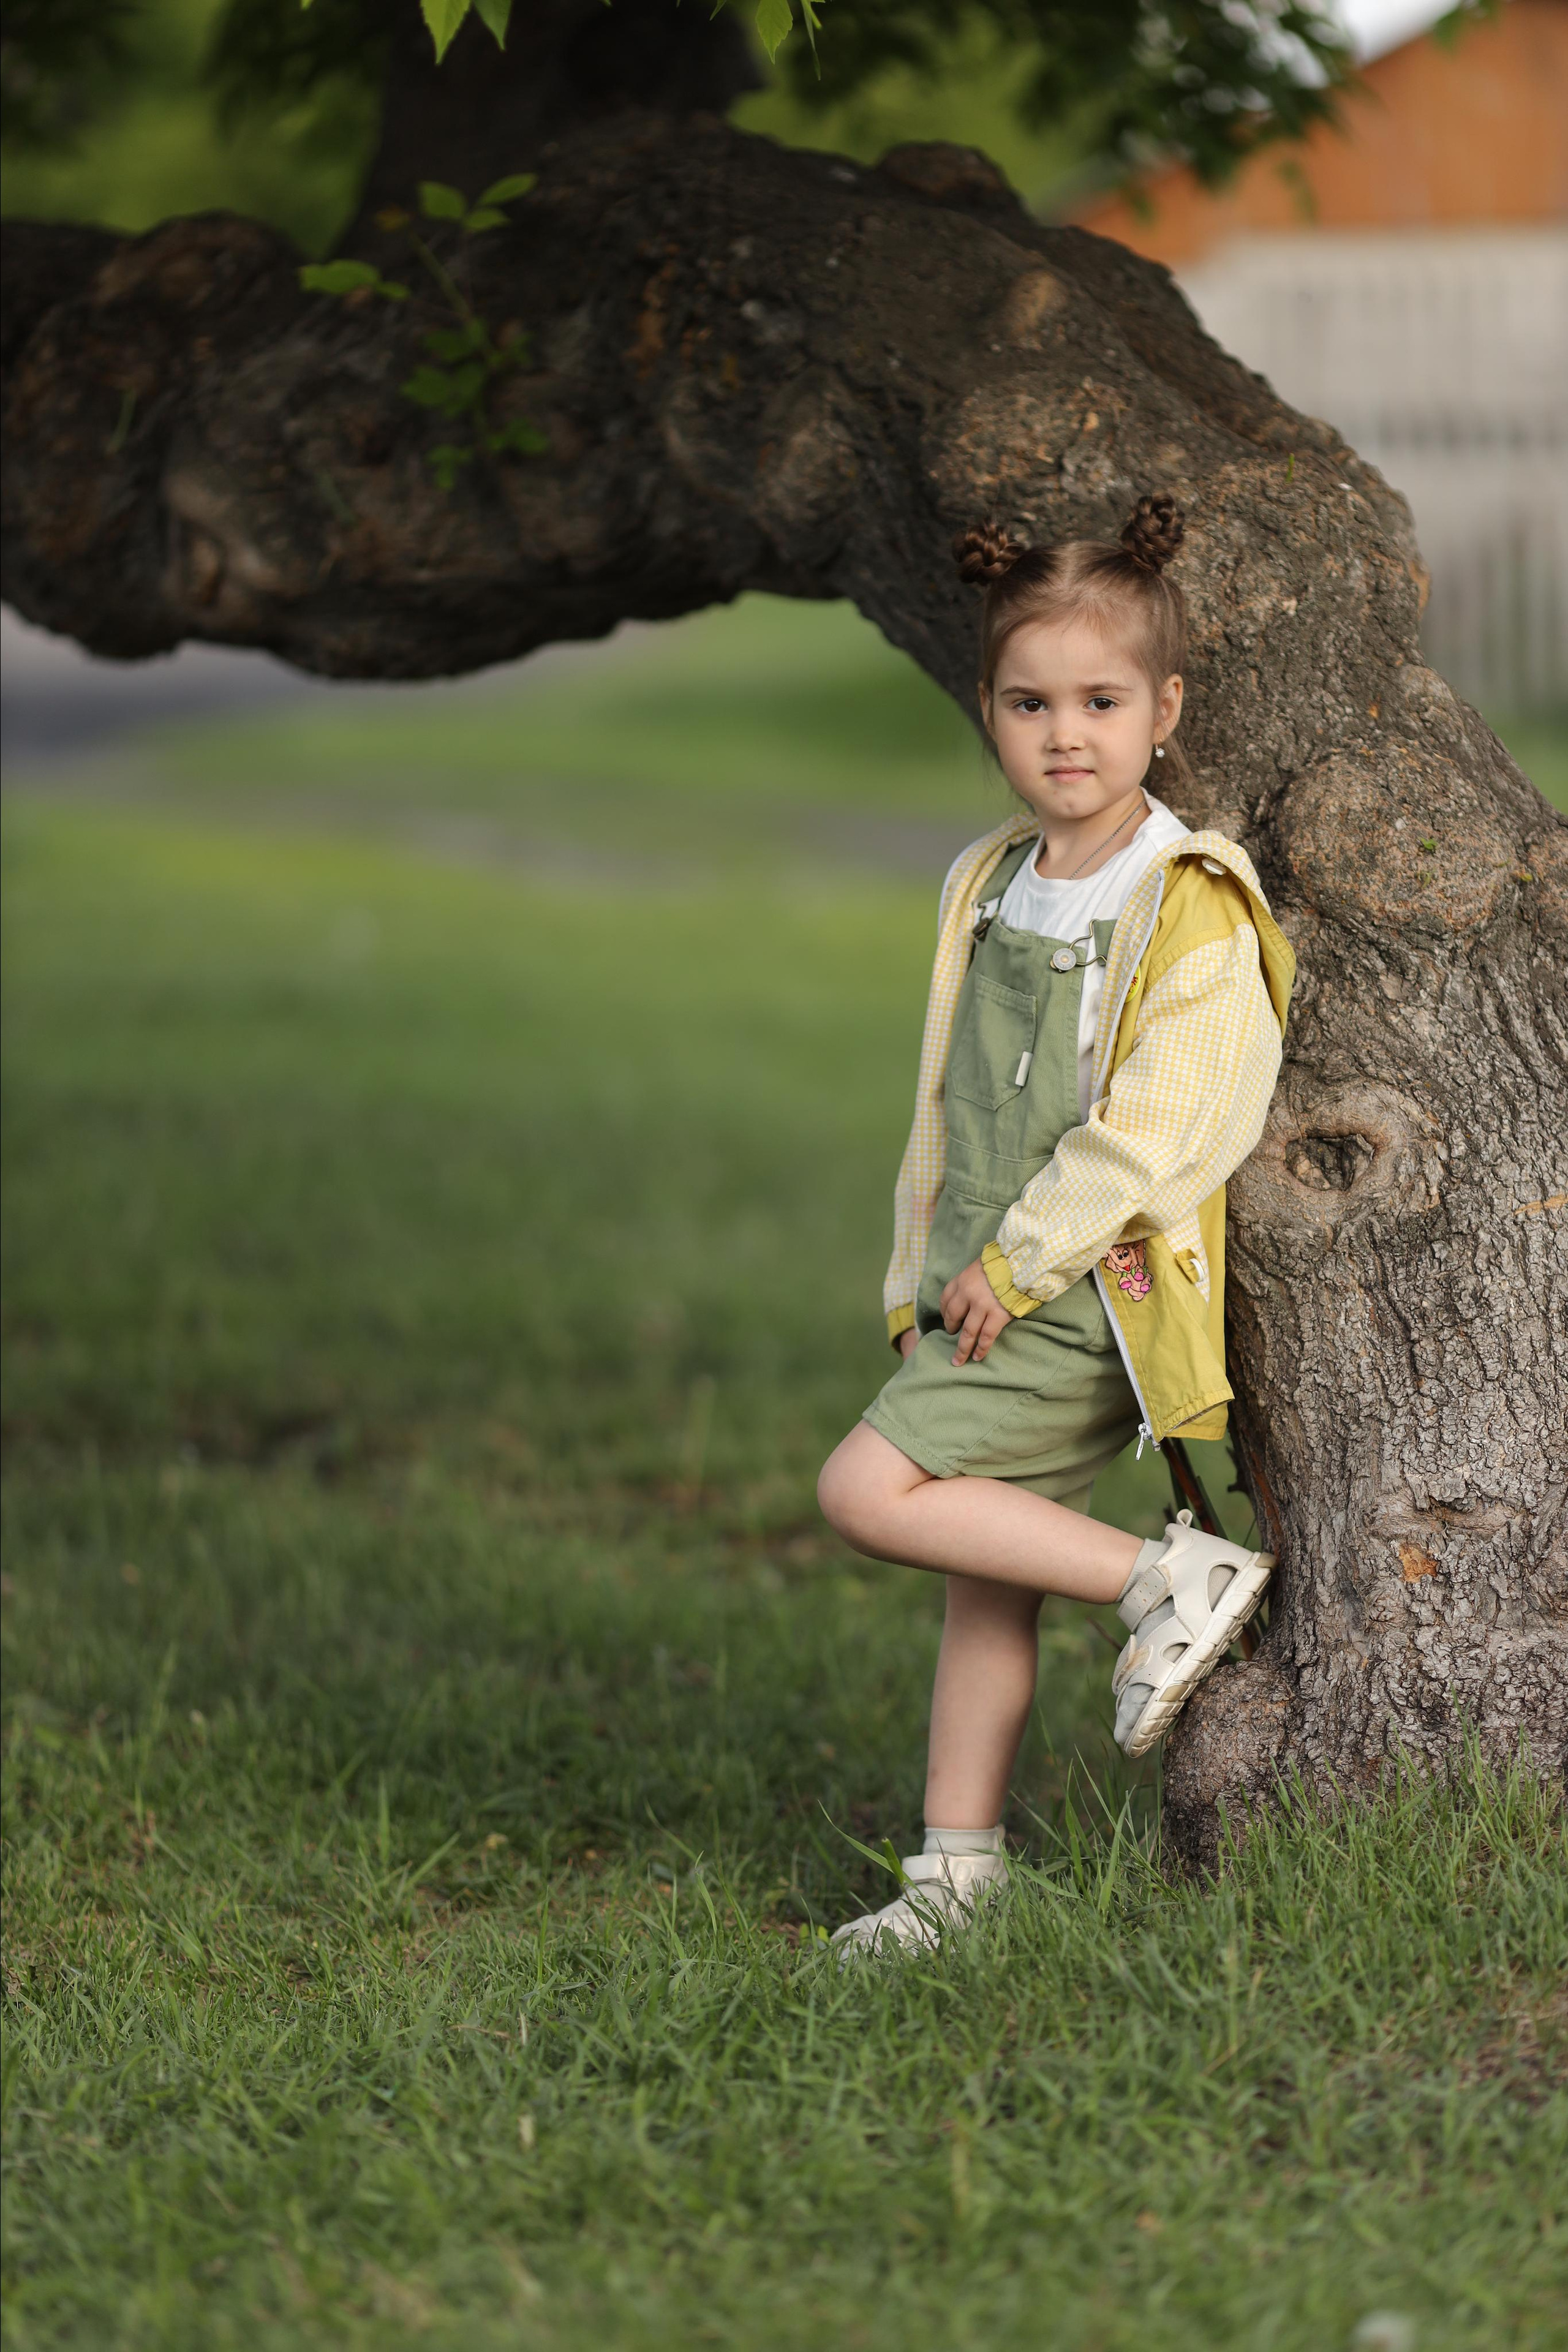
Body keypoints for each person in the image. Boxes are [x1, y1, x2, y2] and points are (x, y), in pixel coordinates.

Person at [816, 495, 1296, 1957]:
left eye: (1099, 702)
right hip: (980, 1274)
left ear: (1165, 709)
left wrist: (1019, 1264)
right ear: (988, 711)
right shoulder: (991, 879)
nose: (1063, 735)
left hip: (1087, 1284)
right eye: (1028, 703)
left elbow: (1160, 1130)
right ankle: (954, 1880)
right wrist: (932, 1266)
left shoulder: (1185, 898)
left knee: (863, 1490)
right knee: (982, 1575)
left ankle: (1167, 1576)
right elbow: (949, 1110)